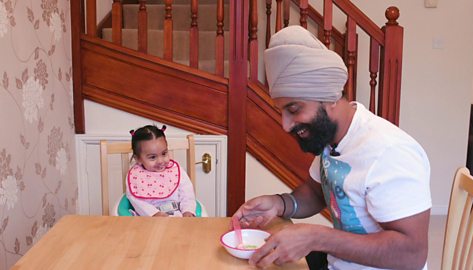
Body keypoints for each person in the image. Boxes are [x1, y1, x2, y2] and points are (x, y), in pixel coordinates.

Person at [232, 25, 431, 270]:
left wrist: (317, 237)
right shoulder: (331, 140)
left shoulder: (389, 152)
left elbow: (412, 254)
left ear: (330, 98)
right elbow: (317, 193)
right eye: (282, 111)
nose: (285, 125)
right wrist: (279, 203)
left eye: (294, 109)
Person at [126, 124, 196, 217]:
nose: (160, 161)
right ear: (138, 158)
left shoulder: (175, 171)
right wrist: (155, 214)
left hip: (178, 218)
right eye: (152, 157)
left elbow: (187, 194)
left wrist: (187, 211)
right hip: (149, 221)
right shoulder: (136, 176)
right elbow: (137, 202)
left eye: (164, 153)